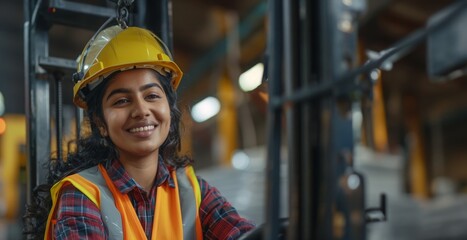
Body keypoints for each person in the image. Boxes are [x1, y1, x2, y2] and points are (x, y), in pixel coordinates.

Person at [24, 25, 254, 239]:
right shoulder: (81, 195)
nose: (141, 110)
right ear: (100, 122)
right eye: (122, 101)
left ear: (169, 109)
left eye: (152, 96)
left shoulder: (194, 191)